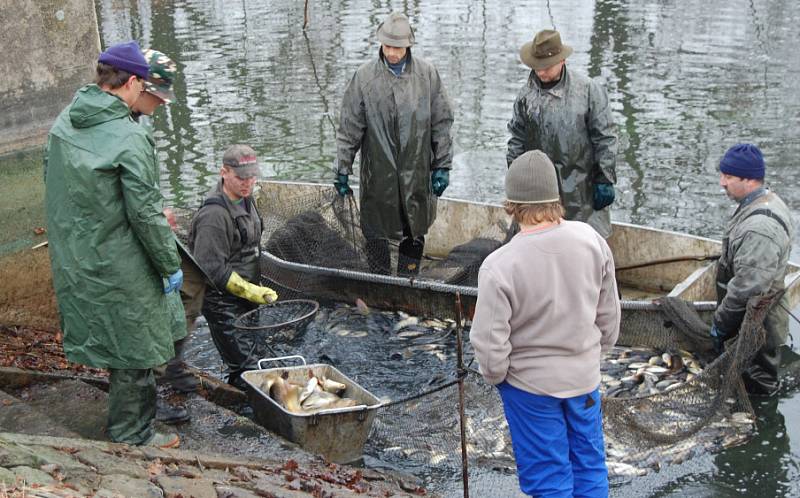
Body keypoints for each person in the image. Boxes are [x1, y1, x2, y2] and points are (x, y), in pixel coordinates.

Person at [44, 40, 184, 449]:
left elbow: (56, 188)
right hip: (121, 259)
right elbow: (143, 214)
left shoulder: (64, 122)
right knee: (136, 350)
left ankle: (130, 427)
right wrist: (168, 263)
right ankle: (132, 435)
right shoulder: (128, 136)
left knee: (115, 339)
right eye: (145, 90)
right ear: (134, 82)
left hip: (79, 254)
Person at [470, 150, 621, 497]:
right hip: (584, 382)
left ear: (512, 204)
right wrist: (589, 360)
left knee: (549, 478)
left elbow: (490, 347)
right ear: (555, 198)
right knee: (589, 466)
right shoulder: (592, 240)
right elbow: (610, 318)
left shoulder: (498, 265)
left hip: (530, 390)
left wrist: (499, 377)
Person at [335, 11, 454, 275]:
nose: (391, 52)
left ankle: (408, 279)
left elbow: (442, 123)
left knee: (415, 228)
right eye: (387, 46)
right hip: (378, 174)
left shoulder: (427, 75)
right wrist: (342, 168)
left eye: (397, 47)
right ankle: (379, 281)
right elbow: (349, 129)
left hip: (417, 172)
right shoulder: (364, 78)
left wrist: (442, 165)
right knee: (375, 232)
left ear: (408, 45)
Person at [130, 48, 204, 424]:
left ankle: (171, 363)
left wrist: (160, 209)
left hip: (151, 225)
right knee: (145, 310)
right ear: (136, 85)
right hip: (130, 241)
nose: (159, 105)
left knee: (192, 283)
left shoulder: (136, 122)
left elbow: (139, 187)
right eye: (156, 96)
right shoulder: (117, 128)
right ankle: (145, 396)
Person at [507, 29, 617, 238]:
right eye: (537, 67)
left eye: (547, 67)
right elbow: (516, 139)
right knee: (541, 239)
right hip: (539, 187)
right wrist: (514, 176)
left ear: (562, 60)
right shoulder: (525, 96)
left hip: (581, 184)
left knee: (582, 240)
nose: (541, 72)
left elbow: (606, 137)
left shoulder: (588, 90)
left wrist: (605, 178)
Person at [189, 144, 278, 389]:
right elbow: (211, 268)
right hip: (222, 302)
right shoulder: (214, 215)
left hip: (247, 293)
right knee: (245, 369)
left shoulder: (247, 198)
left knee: (261, 358)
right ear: (224, 172)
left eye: (252, 176)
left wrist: (254, 290)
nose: (248, 183)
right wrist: (250, 291)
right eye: (241, 177)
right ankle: (247, 412)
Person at [711, 143, 794, 396]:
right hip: (754, 318)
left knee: (758, 386)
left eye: (728, 177)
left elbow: (747, 289)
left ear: (749, 180)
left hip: (760, 327)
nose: (722, 183)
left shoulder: (760, 229)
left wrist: (720, 324)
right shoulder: (765, 200)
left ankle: (761, 421)